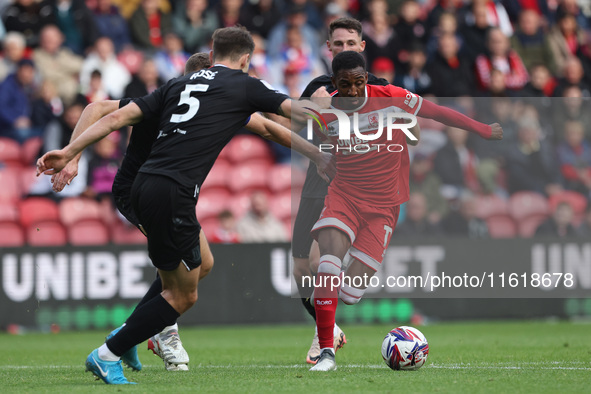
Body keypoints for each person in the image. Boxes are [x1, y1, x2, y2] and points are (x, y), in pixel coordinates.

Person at [38, 27, 334, 384]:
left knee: (201, 264)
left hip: (154, 188)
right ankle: (131, 342)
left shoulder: (178, 89)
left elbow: (270, 130)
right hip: (155, 190)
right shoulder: (232, 88)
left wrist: (70, 154)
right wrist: (328, 118)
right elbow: (288, 114)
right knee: (182, 290)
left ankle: (128, 337)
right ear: (244, 61)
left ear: (209, 61)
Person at [308, 51, 502, 371]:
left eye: (359, 82)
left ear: (367, 77)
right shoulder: (325, 109)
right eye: (346, 85)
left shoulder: (392, 98)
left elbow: (438, 112)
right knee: (328, 261)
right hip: (344, 197)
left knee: (350, 294)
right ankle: (326, 352)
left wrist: (481, 129)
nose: (354, 90)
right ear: (334, 83)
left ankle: (330, 301)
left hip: (384, 207)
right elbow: (291, 123)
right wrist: (315, 135)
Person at [51, 52, 215, 373]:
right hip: (138, 192)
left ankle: (131, 334)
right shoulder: (160, 100)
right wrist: (74, 158)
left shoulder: (208, 109)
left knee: (201, 264)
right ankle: (159, 332)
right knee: (182, 269)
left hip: (170, 194)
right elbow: (96, 108)